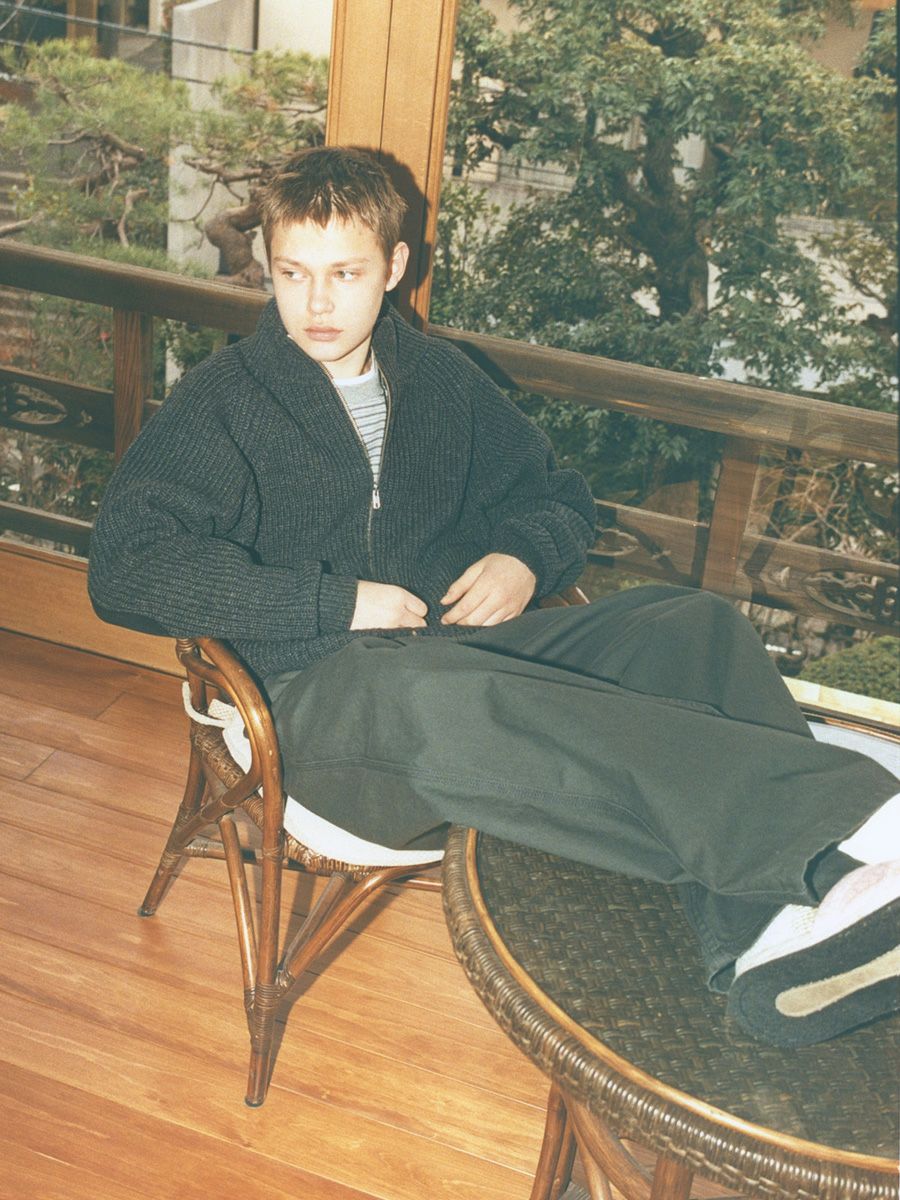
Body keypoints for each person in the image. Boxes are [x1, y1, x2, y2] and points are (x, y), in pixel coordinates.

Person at [88, 146, 900, 1048]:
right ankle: (853, 831)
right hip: (306, 707)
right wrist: (333, 603)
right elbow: (124, 569)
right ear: (270, 269)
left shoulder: (442, 381)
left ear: (394, 267)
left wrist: (522, 558)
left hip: (452, 661)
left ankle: (772, 935)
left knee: (691, 627)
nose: (316, 304)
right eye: (293, 274)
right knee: (426, 691)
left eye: (345, 274)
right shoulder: (224, 403)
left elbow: (556, 499)